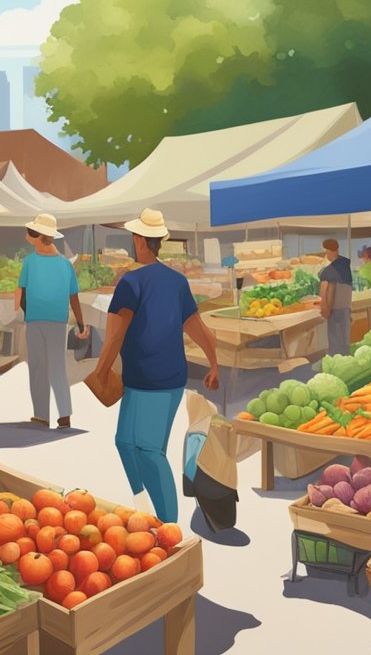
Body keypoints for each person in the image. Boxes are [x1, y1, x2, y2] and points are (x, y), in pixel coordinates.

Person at [90, 208, 220, 525]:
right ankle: (142, 502)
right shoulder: (176, 281)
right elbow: (198, 327)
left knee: (149, 450)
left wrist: (101, 372)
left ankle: (169, 528)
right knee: (125, 442)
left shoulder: (130, 283)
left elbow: (114, 336)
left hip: (156, 381)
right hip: (154, 379)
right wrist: (213, 361)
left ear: (138, 241)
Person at [18, 214, 88, 429]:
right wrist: (81, 324)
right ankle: (64, 414)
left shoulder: (29, 262)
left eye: (31, 233)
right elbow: (73, 296)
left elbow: (22, 294)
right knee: (57, 366)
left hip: (36, 320)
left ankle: (41, 415)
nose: (27, 236)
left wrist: (29, 312)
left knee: (38, 367)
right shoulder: (65, 265)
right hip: (58, 321)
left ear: (38, 237)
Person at [319, 239, 354, 356]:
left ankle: (336, 362)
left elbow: (328, 291)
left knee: (335, 342)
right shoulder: (345, 263)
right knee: (344, 339)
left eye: (326, 252)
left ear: (329, 251)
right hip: (346, 307)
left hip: (336, 309)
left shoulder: (329, 271)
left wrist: (325, 308)